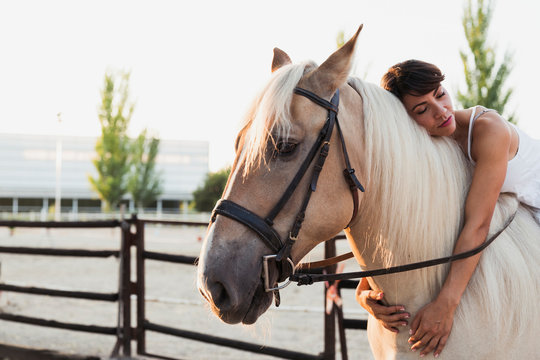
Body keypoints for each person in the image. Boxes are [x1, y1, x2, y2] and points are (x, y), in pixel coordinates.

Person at [356, 59, 540, 358]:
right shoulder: (424, 147)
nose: (440, 111)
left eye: (439, 94)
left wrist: (446, 305)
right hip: (516, 208)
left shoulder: (488, 131)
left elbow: (476, 224)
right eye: (422, 109)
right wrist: (365, 292)